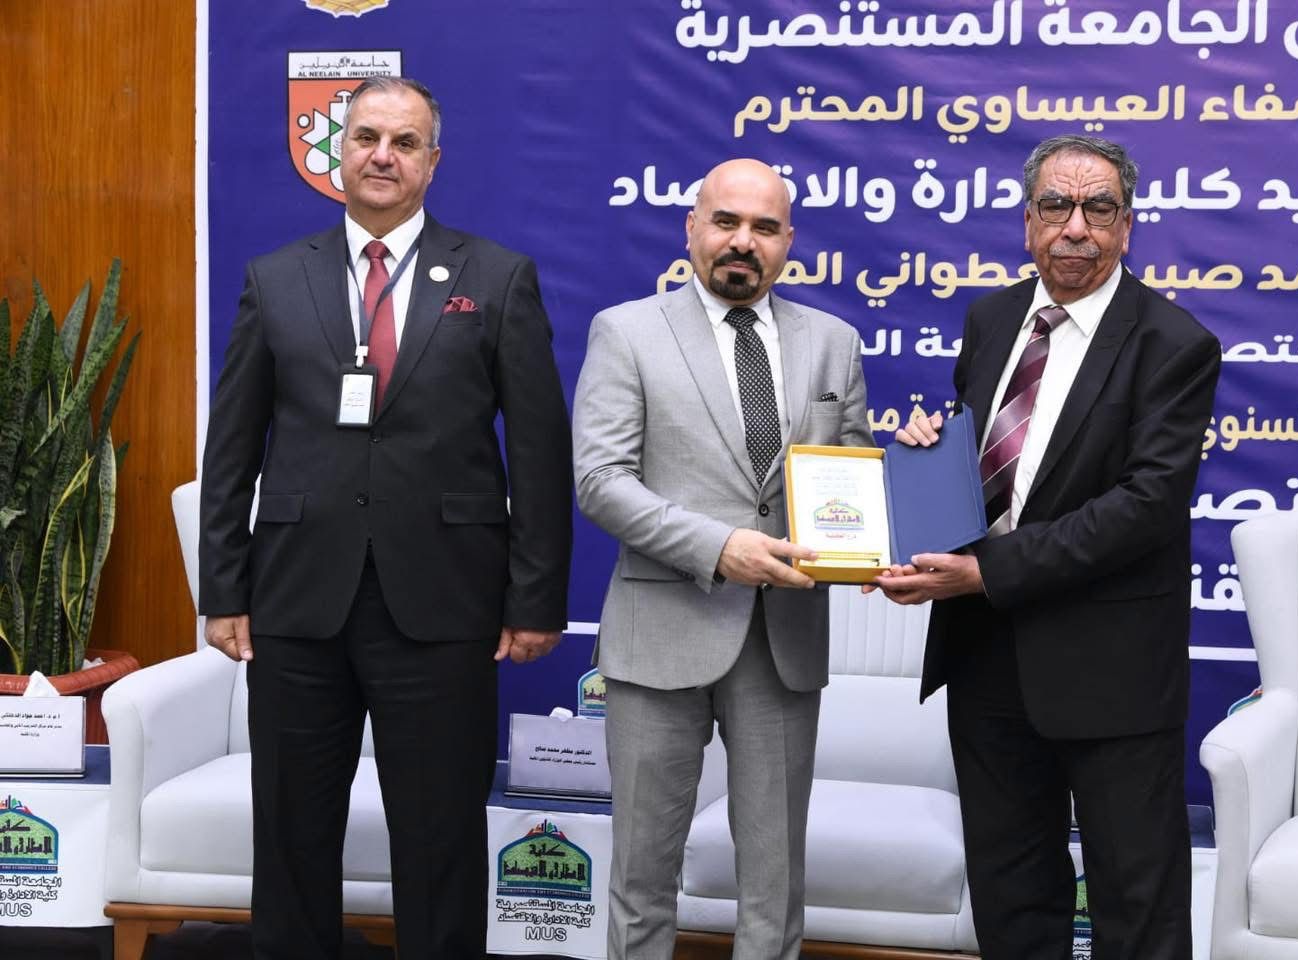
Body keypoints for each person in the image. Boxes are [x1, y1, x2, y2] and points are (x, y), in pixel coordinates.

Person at [198, 76, 572, 960]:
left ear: (432, 162)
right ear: (339, 151)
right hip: (297, 603)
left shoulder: (497, 277)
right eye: (366, 137)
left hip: (444, 605)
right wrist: (223, 590)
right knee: (291, 835)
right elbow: (232, 448)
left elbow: (540, 453)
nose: (382, 156)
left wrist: (534, 600)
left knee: (441, 840)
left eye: (404, 143)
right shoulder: (275, 278)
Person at [867, 135, 1221, 960]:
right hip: (986, 657)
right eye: (1056, 206)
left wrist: (985, 572)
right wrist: (929, 462)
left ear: (1126, 226)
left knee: (1137, 909)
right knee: (1012, 899)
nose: (1076, 227)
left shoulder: (1174, 343)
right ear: (1028, 221)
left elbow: (1144, 507)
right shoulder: (991, 319)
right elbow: (992, 469)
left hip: (1111, 671)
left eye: (1099, 208)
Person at [573, 158, 872, 959]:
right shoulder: (627, 331)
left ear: (789, 242)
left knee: (775, 889)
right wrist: (719, 548)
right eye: (727, 222)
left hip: (783, 643)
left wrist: (910, 466)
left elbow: (848, 480)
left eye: (765, 228)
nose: (744, 242)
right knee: (642, 880)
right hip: (659, 633)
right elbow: (601, 481)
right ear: (692, 229)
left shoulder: (833, 343)